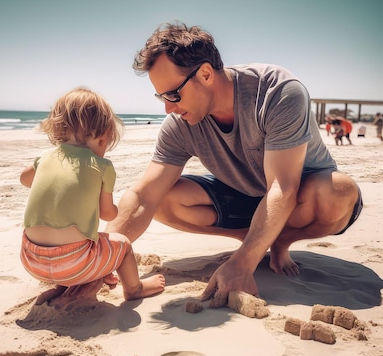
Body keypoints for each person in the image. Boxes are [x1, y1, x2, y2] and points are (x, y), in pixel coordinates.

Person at [106, 22, 363, 307]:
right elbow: (144, 196)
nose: (168, 108)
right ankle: (256, 238)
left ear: (205, 74)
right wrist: (100, 260)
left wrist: (243, 263)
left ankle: (277, 240)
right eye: (160, 97)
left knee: (339, 192)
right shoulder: (180, 123)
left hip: (300, 194)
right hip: (246, 196)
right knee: (162, 198)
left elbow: (283, 188)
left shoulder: (277, 92)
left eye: (172, 94)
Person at [20, 87, 165, 305]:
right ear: (103, 137)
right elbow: (108, 215)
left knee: (82, 237)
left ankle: (68, 283)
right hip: (74, 264)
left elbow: (24, 179)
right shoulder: (102, 166)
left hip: (32, 261)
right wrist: (114, 209)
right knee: (122, 244)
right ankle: (135, 289)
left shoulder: (45, 156)